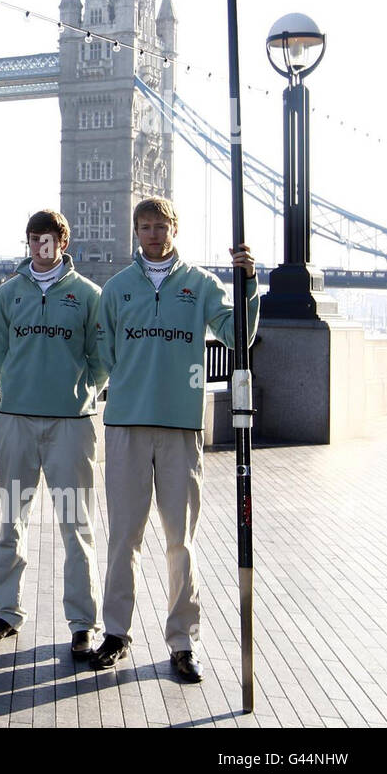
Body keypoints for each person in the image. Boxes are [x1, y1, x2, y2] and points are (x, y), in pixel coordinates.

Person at [90, 196, 258, 683]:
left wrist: (248, 285)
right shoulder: (117, 288)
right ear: (135, 232)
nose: (153, 234)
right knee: (124, 537)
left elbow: (237, 336)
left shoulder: (202, 285)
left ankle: (183, 642)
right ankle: (117, 633)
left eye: (161, 226)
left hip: (181, 425)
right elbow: (104, 347)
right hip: (126, 424)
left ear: (174, 229)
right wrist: (128, 382)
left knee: (180, 541)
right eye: (144, 227)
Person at [0, 209, 106, 657]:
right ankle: (5, 612)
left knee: (76, 526)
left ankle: (82, 623)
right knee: (12, 519)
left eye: (48, 239)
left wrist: (81, 390)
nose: (40, 247)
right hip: (16, 421)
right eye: (34, 239)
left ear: (63, 243)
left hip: (69, 425)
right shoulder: (8, 294)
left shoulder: (88, 296)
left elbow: (100, 355)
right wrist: (17, 382)